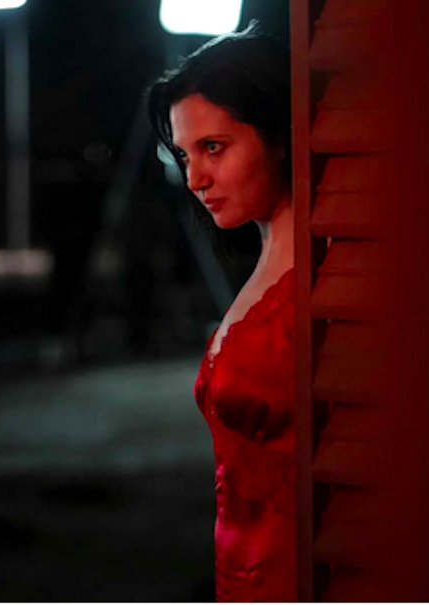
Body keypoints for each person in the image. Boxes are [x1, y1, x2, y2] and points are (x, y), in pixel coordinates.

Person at [147, 22, 296, 601]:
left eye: (214, 148)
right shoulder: (266, 266)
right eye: (185, 155)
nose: (194, 179)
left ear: (279, 135)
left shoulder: (322, 281)